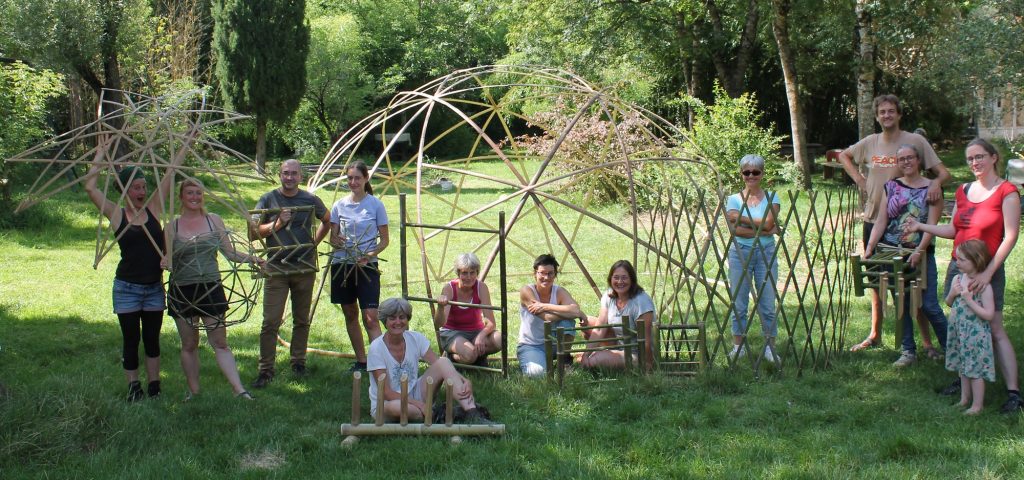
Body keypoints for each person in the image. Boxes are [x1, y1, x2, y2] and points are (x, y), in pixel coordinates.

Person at [906, 138, 1022, 413]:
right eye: (970, 158)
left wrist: (989, 272)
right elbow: (954, 231)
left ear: (994, 158)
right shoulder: (963, 190)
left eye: (980, 157)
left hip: (987, 269)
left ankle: (1014, 393)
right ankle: (966, 381)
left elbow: (1011, 235)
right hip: (960, 267)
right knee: (960, 325)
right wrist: (922, 225)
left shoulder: (1007, 191)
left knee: (994, 329)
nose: (974, 163)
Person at [840, 94, 951, 352]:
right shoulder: (871, 142)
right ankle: (875, 334)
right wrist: (859, 179)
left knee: (912, 285)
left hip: (907, 225)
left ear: (899, 114)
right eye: (882, 112)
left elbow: (943, 173)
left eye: (891, 111)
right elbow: (844, 156)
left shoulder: (914, 141)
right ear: (877, 116)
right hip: (875, 219)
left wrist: (935, 183)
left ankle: (925, 342)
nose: (887, 116)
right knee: (879, 281)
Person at [83, 134, 189, 401]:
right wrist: (100, 155)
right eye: (136, 188)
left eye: (143, 186)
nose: (142, 192)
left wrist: (188, 141)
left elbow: (171, 173)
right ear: (124, 189)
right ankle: (134, 386)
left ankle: (154, 385)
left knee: (152, 340)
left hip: (154, 288)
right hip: (127, 288)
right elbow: (90, 188)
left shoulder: (153, 207)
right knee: (131, 340)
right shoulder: (116, 213)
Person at [165, 179, 264, 400]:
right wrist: (165, 262)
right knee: (189, 343)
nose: (194, 197)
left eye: (198, 193)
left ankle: (239, 390)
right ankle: (194, 391)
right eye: (190, 193)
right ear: (181, 197)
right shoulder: (171, 227)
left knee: (220, 342)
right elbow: (168, 260)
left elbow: (230, 253)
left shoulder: (214, 221)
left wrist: (253, 259)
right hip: (183, 290)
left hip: (210, 288)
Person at [863, 144, 947, 367]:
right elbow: (882, 220)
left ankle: (953, 349)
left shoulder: (933, 188)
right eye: (902, 159)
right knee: (901, 301)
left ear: (918, 161)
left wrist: (920, 251)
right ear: (897, 164)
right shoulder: (890, 186)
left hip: (921, 252)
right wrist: (870, 246)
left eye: (910, 158)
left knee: (929, 305)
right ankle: (908, 351)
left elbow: (932, 224)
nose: (906, 162)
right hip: (892, 252)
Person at [250, 159, 331, 388]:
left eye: (294, 173)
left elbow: (327, 220)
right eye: (286, 173)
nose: (289, 177)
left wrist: (312, 244)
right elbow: (253, 233)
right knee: (270, 321)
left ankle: (298, 362)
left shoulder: (310, 199)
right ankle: (265, 370)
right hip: (276, 268)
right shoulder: (268, 199)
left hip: (303, 268)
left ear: (301, 177)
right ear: (279, 175)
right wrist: (276, 224)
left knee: (302, 319)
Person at [368, 297, 492, 424]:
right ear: (385, 321)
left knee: (443, 362)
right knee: (397, 407)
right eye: (392, 318)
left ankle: (473, 413)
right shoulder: (376, 348)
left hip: (414, 393)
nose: (398, 322)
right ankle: (441, 414)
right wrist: (419, 404)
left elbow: (441, 365)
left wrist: (464, 380)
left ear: (408, 318)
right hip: (387, 404)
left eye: (402, 317)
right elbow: (386, 393)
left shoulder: (415, 338)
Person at [329, 160, 389, 372]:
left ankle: (381, 363)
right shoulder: (339, 205)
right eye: (350, 178)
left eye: (357, 178)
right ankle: (362, 361)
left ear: (366, 179)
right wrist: (337, 240)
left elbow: (384, 240)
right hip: (342, 265)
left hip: (367, 266)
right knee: (350, 314)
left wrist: (369, 255)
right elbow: (332, 238)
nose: (353, 182)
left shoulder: (375, 205)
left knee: (371, 317)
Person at [724, 154, 782, 364]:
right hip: (740, 252)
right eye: (746, 172)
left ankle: (770, 348)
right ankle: (738, 346)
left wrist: (743, 220)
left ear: (762, 174)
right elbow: (735, 230)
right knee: (739, 301)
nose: (751, 176)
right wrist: (765, 228)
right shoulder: (733, 199)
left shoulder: (772, 197)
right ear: (741, 174)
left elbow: (767, 223)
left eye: (755, 172)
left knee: (767, 302)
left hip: (766, 253)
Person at [944, 240, 996, 415]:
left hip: (976, 334)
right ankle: (964, 399)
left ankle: (977, 405)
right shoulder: (957, 279)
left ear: (976, 260)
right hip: (960, 332)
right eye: (957, 258)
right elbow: (949, 302)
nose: (957, 262)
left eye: (962, 259)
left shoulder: (983, 286)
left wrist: (969, 300)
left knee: (975, 370)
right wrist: (953, 293)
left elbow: (989, 314)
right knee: (963, 367)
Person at [517, 254, 586, 377]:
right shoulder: (527, 291)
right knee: (537, 374)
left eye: (550, 273)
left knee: (567, 323)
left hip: (554, 343)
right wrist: (572, 313)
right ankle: (540, 361)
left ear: (555, 275)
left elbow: (575, 310)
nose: (546, 277)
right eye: (542, 273)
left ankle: (564, 359)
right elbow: (547, 318)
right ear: (535, 273)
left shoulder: (559, 291)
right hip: (532, 345)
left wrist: (545, 306)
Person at [579, 260, 655, 370]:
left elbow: (646, 342)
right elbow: (600, 329)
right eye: (616, 277)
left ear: (632, 280)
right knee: (589, 322)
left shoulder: (641, 302)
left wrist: (648, 366)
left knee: (594, 360)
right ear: (610, 279)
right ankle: (602, 355)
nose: (620, 281)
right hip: (619, 343)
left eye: (624, 277)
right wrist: (586, 354)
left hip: (637, 353)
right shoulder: (609, 296)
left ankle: (604, 357)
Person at [433, 253, 502, 366]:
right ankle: (453, 357)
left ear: (477, 273)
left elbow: (491, 323)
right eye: (465, 273)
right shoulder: (449, 288)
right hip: (452, 333)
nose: (469, 277)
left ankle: (473, 356)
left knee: (499, 339)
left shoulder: (481, 287)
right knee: (470, 354)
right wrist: (440, 307)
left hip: (476, 332)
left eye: (472, 272)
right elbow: (439, 324)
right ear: (458, 273)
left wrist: (481, 336)